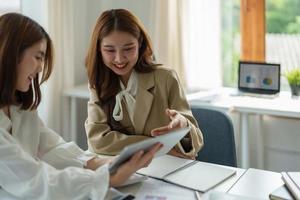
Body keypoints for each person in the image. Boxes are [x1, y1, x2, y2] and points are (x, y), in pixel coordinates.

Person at [0, 13, 162, 200]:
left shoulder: (21, 109)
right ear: (11, 54)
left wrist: (101, 163)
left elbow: (51, 147)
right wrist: (106, 178)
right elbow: (34, 179)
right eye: (38, 57)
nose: (40, 68)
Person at [85, 9, 204, 159]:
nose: (119, 59)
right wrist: (156, 146)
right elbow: (97, 140)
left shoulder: (165, 78)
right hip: (127, 170)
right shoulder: (98, 82)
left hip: (167, 169)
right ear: (98, 50)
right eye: (109, 50)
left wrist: (184, 125)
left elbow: (196, 141)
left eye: (128, 49)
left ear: (140, 43)